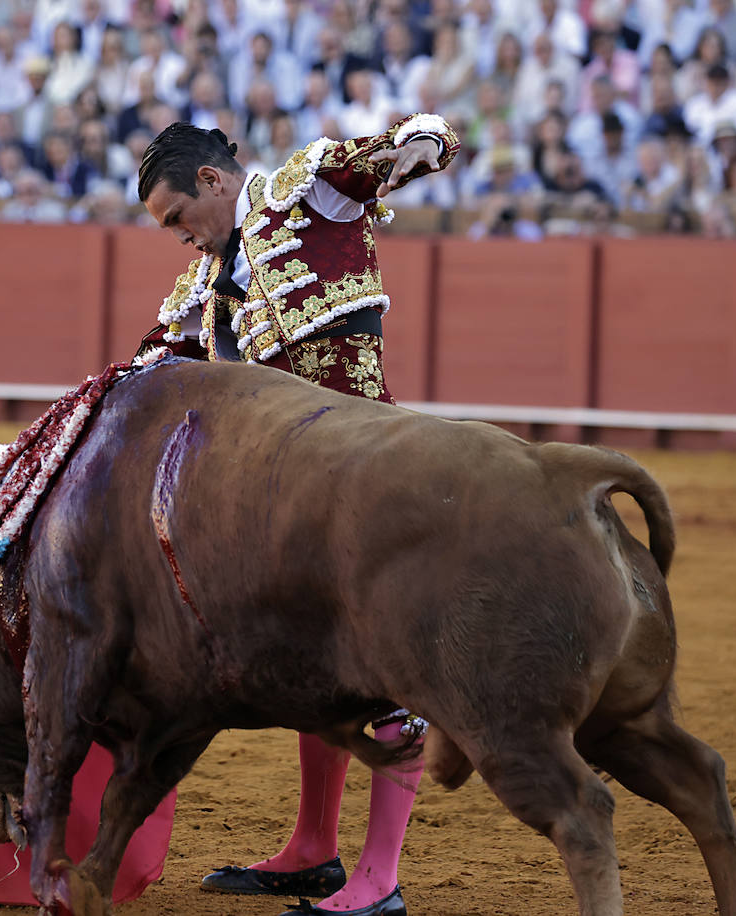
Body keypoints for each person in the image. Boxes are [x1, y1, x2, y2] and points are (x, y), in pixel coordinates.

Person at [136, 114, 459, 916]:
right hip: (279, 500)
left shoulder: (308, 189)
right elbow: (140, 373)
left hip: (367, 474)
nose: (179, 238)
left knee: (382, 670)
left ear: (213, 182)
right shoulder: (200, 286)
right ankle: (315, 847)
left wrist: (413, 151)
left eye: (177, 218)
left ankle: (379, 881)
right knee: (319, 667)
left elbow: (427, 134)